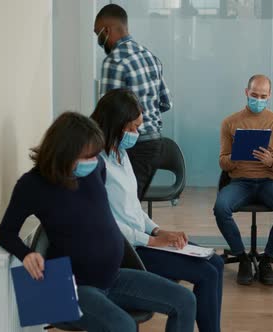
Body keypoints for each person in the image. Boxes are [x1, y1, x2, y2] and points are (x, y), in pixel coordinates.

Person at [0, 112, 196, 332]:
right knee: (124, 326)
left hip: (112, 277)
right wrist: (26, 254)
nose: (95, 161)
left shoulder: (96, 168)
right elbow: (5, 233)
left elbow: (97, 216)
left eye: (95, 154)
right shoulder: (32, 185)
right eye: (87, 156)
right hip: (71, 286)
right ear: (64, 152)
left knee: (185, 300)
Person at [91, 89, 224, 332]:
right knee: (207, 274)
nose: (136, 133)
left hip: (144, 239)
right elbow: (106, 224)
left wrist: (159, 230)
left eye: (138, 126)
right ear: (114, 124)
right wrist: (152, 240)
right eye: (131, 127)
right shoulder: (96, 164)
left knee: (215, 263)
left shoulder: (121, 153)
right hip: (129, 250)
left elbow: (133, 208)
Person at [214, 75, 273, 286]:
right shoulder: (230, 122)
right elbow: (222, 162)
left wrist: (270, 161)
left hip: (270, 182)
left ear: (269, 96)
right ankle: (242, 258)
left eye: (263, 96)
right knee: (221, 207)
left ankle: (267, 259)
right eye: (254, 95)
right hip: (240, 181)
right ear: (246, 93)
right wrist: (235, 157)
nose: (258, 100)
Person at [94, 4, 172, 200]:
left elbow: (106, 114)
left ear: (107, 30)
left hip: (131, 147)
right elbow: (165, 103)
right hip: (154, 144)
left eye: (98, 33)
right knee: (131, 206)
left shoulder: (114, 61)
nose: (99, 39)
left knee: (121, 206)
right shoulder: (150, 57)